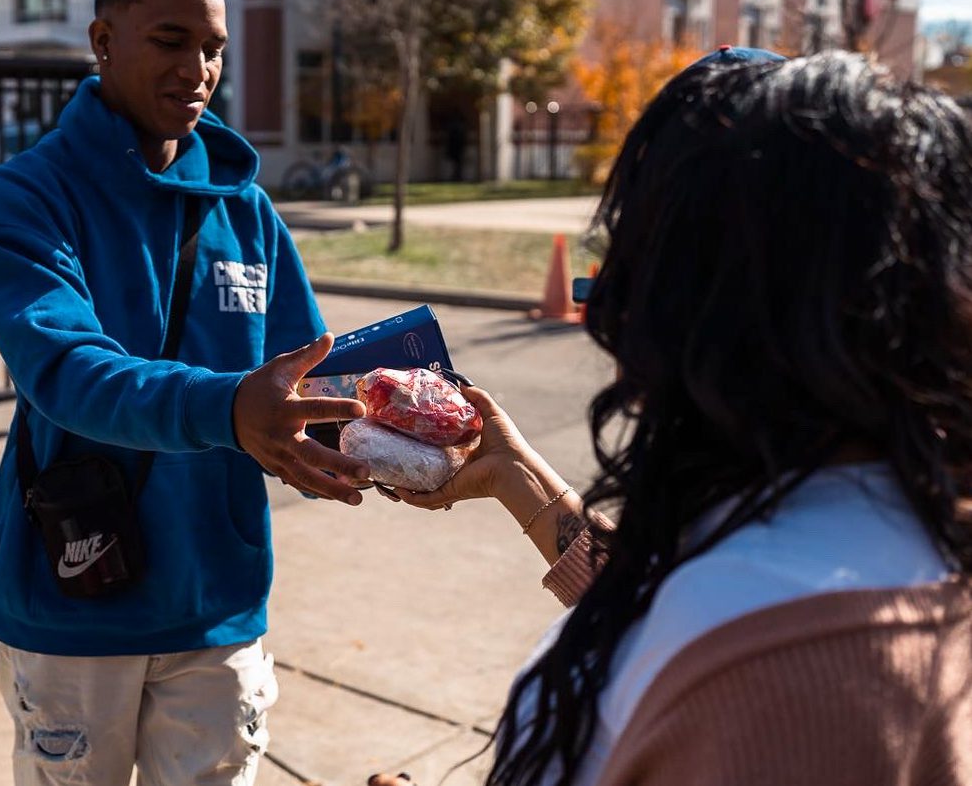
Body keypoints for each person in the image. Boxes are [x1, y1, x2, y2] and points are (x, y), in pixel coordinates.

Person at [372, 50, 972, 785]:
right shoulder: (869, 539)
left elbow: (711, 658)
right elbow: (654, 608)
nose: (610, 320)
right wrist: (514, 475)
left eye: (631, 266)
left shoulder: (774, 664)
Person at [0, 0, 369, 786]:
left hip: (216, 600)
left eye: (215, 48)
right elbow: (68, 371)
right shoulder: (24, 199)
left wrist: (388, 432)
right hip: (74, 595)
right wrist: (228, 409)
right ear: (103, 40)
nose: (199, 68)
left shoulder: (248, 211)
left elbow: (306, 381)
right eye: (171, 40)